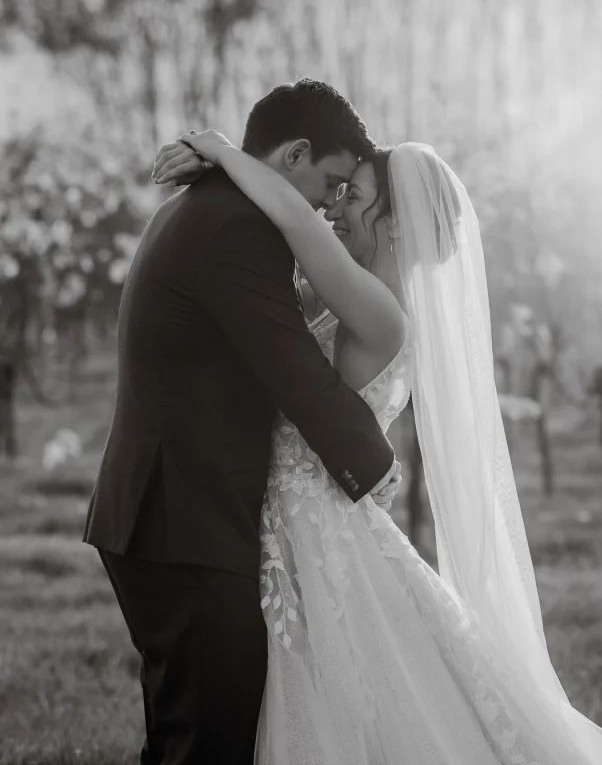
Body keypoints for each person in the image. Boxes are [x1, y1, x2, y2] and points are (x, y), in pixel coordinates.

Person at [153, 130, 602, 764]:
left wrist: (220, 147)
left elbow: (296, 218)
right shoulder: (344, 294)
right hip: (298, 520)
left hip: (311, 528)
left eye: (354, 196)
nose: (336, 206)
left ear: (397, 224)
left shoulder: (382, 311)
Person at [82, 79, 402, 765]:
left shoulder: (214, 207)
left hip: (174, 515)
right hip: (181, 523)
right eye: (333, 181)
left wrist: (229, 156)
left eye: (350, 195)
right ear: (295, 154)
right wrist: (377, 468)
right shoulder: (235, 228)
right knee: (207, 741)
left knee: (193, 733)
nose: (329, 205)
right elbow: (301, 378)